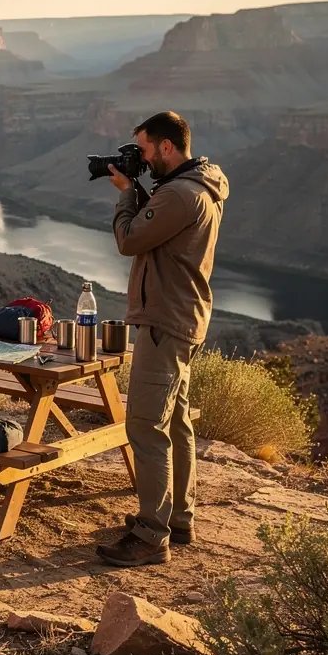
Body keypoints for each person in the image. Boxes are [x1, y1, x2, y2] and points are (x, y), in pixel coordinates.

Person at [97, 111, 229, 567]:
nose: (142, 158)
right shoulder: (200, 186)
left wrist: (127, 196)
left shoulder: (178, 195)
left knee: (145, 425)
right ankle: (178, 518)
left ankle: (151, 535)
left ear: (167, 147)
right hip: (184, 317)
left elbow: (130, 239)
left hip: (164, 322)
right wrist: (139, 190)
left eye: (145, 149)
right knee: (175, 422)